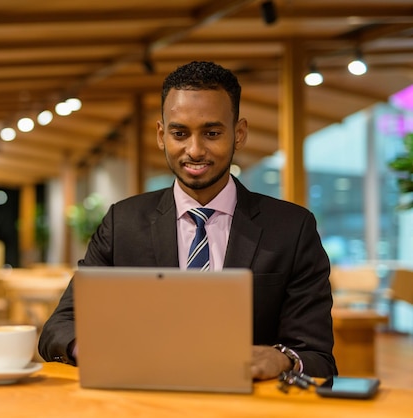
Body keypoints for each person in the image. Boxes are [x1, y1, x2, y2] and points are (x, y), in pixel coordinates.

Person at [38, 61, 337, 380]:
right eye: (180, 133)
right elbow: (58, 328)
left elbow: (318, 358)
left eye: (211, 133)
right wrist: (93, 347)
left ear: (239, 134)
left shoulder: (292, 228)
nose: (195, 150)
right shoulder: (122, 223)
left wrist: (283, 361)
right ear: (161, 135)